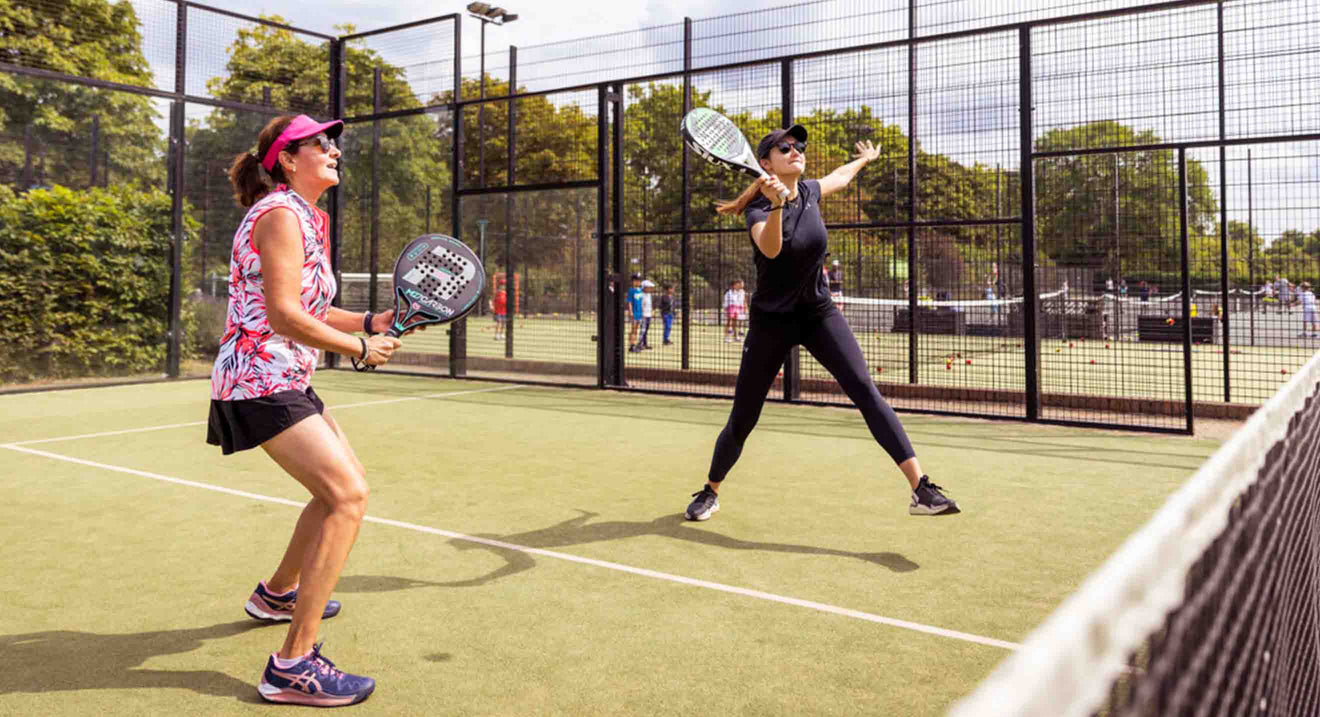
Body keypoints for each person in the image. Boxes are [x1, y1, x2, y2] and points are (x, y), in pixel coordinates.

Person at [208, 114, 406, 707]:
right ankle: (293, 665)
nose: (334, 149)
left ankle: (275, 595)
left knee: (339, 491)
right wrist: (362, 348)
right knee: (347, 496)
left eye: (332, 142)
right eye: (321, 142)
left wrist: (370, 322)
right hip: (259, 377)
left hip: (284, 374)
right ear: (288, 160)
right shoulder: (277, 216)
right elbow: (283, 315)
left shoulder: (305, 218)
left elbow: (316, 305)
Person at [683, 123, 958, 522]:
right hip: (771, 323)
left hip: (818, 314)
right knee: (743, 419)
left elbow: (839, 178)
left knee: (865, 389)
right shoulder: (760, 208)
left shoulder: (810, 191)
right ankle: (711, 491)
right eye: (785, 147)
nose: (796, 149)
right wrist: (777, 205)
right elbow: (772, 249)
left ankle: (921, 489)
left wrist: (864, 159)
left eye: (799, 145)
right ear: (766, 163)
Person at [626, 274, 644, 352]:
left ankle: (633, 344)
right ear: (633, 281)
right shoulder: (631, 290)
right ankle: (632, 345)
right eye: (637, 280)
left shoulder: (640, 290)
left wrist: (642, 311)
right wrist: (630, 311)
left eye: (639, 280)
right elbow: (629, 302)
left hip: (639, 312)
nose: (638, 282)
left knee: (636, 329)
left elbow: (641, 301)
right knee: (633, 329)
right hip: (634, 312)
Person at [639, 279, 656, 350]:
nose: (650, 289)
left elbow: (650, 304)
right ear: (644, 287)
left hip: (648, 314)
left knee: (646, 330)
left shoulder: (649, 295)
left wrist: (652, 312)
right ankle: (640, 344)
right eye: (648, 287)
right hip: (643, 315)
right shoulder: (641, 295)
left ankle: (645, 343)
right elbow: (640, 305)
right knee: (643, 330)